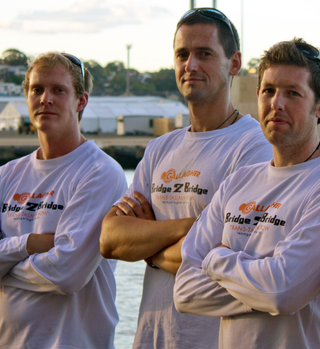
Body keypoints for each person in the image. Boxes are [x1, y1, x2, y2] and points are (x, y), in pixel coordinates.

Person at [174, 39, 320, 349]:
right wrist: (265, 279)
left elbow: (282, 292)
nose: (277, 103)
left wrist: (215, 259)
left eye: (293, 93)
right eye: (269, 90)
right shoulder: (239, 180)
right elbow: (184, 291)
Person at [99, 8, 273, 349]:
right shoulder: (160, 149)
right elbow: (111, 240)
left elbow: (231, 249)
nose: (190, 65)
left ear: (234, 63)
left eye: (204, 54)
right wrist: (193, 225)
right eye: (182, 54)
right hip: (152, 338)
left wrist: (148, 250)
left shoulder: (254, 147)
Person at [0, 52, 127, 348]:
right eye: (37, 89)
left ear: (80, 101)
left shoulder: (100, 172)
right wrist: (28, 244)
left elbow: (66, 274)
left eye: (59, 90)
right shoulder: (4, 177)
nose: (46, 98)